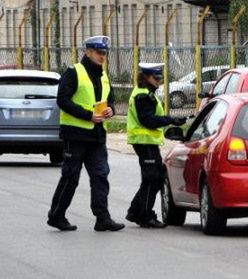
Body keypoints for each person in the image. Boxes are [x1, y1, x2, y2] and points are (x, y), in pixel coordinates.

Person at [47, 35, 125, 232]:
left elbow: (110, 100)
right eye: (99, 53)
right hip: (75, 135)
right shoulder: (74, 73)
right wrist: (87, 115)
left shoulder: (103, 75)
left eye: (104, 53)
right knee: (71, 176)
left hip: (97, 135)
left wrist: (111, 110)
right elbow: (62, 100)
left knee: (100, 175)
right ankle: (56, 215)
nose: (102, 57)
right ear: (88, 52)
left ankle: (102, 218)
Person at [125, 63, 187, 228]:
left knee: (154, 178)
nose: (159, 81)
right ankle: (145, 215)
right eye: (156, 78)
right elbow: (148, 120)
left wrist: (171, 119)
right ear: (146, 77)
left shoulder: (146, 93)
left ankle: (135, 211)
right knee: (153, 179)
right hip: (143, 141)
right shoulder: (143, 96)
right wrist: (170, 119)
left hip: (147, 142)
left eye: (160, 78)